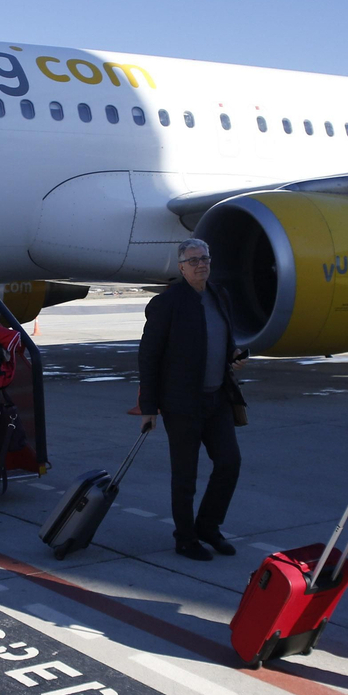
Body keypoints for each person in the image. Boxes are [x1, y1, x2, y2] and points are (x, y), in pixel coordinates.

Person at [137, 238, 247, 561]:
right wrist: (149, 408)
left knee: (230, 463)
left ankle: (208, 527)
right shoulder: (167, 303)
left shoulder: (219, 296)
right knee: (185, 476)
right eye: (194, 260)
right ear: (181, 267)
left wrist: (235, 355)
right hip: (182, 405)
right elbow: (149, 357)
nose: (201, 265)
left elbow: (224, 341)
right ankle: (185, 538)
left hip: (217, 400)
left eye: (205, 259)